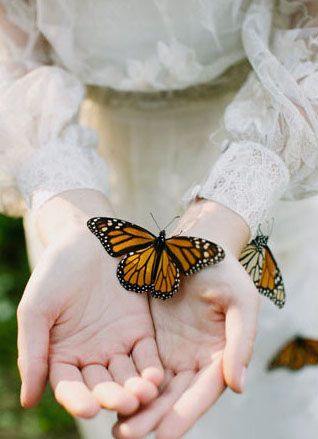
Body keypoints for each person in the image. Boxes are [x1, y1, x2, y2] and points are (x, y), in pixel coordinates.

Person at [0, 1, 318, 438]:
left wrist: (229, 211)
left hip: (268, 160)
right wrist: (74, 222)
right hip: (78, 177)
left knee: (275, 382)